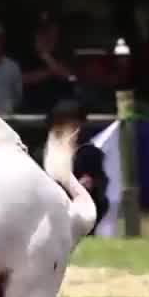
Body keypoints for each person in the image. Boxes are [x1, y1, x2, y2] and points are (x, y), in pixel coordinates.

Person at [47, 99, 108, 234]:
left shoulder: (90, 153)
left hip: (81, 208)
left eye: (73, 125)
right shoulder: (44, 153)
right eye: (61, 124)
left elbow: (100, 182)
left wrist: (90, 183)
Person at [21, 12, 76, 114]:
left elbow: (69, 76)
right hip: (32, 109)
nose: (48, 35)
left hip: (62, 111)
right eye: (43, 32)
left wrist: (45, 55)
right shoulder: (27, 55)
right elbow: (21, 79)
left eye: (50, 30)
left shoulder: (65, 52)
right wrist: (52, 71)